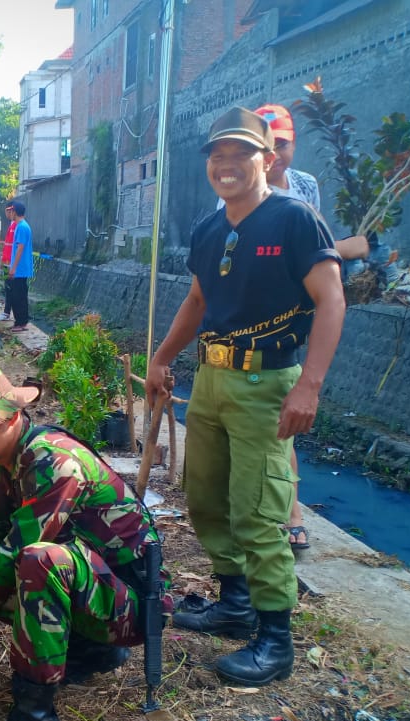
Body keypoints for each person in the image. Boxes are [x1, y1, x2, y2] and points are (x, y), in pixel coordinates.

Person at [146, 107, 345, 686]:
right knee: (206, 499)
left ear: (270, 159)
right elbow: (199, 301)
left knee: (259, 510)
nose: (227, 164)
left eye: (241, 153)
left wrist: (309, 384)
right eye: (217, 155)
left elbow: (331, 300)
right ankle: (234, 602)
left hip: (267, 383)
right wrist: (162, 357)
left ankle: (275, 640)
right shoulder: (210, 229)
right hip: (211, 380)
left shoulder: (294, 220)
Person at [0, 362, 162, 721]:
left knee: (37, 563)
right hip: (98, 595)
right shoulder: (7, 466)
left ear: (10, 417)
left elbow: (7, 560)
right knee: (13, 570)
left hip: (131, 610)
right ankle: (91, 651)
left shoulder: (53, 461)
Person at [253, 103, 370, 553]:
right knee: (269, 413)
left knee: (283, 411)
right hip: (255, 317)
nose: (274, 155)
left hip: (297, 315)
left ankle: (289, 507)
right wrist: (349, 247)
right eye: (266, 146)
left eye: (281, 144)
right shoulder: (243, 185)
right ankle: (288, 509)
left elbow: (314, 250)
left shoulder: (305, 187)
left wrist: (334, 252)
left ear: (294, 144)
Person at [5, 200, 33, 333]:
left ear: (15, 212)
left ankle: (20, 322)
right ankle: (21, 322)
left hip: (20, 268)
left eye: (11, 211)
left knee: (18, 296)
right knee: (20, 295)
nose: (10, 213)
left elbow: (20, 248)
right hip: (21, 268)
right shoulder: (22, 226)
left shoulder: (21, 227)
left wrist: (13, 267)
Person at [0, 202, 17, 322]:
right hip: (8, 263)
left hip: (10, 264)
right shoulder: (12, 226)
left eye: (8, 211)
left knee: (10, 289)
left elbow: (13, 248)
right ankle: (7, 312)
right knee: (8, 288)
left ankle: (7, 312)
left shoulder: (16, 227)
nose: (7, 213)